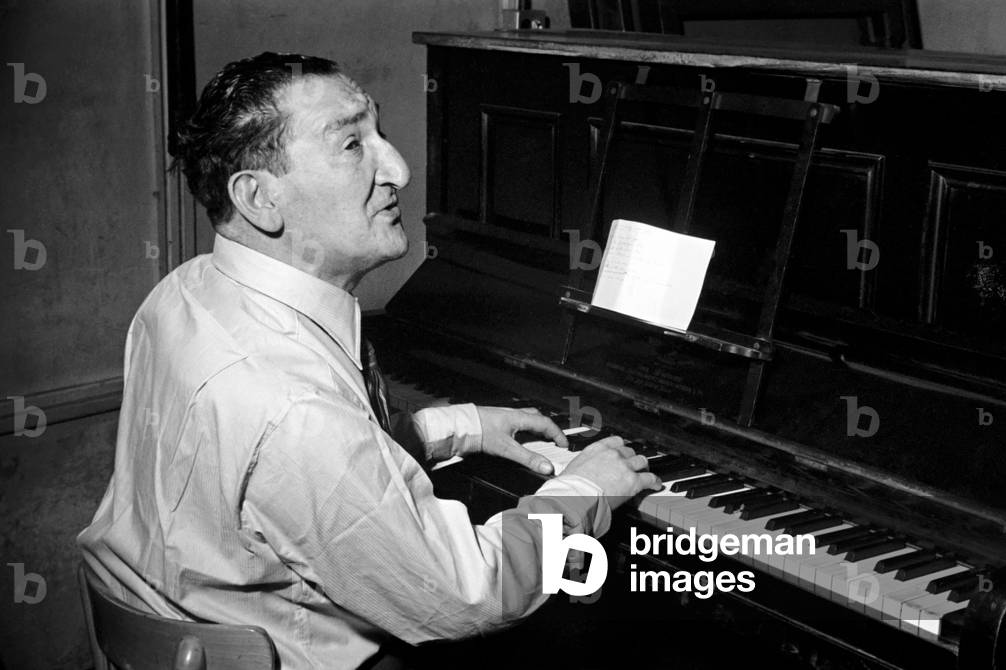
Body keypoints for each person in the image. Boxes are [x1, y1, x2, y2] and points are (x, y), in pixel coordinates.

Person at [78, 52, 660, 670]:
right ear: (258, 198)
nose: (400, 170)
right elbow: (468, 595)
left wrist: (452, 427)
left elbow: (291, 473)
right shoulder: (295, 408)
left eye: (379, 133)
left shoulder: (185, 292)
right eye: (353, 144)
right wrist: (584, 490)